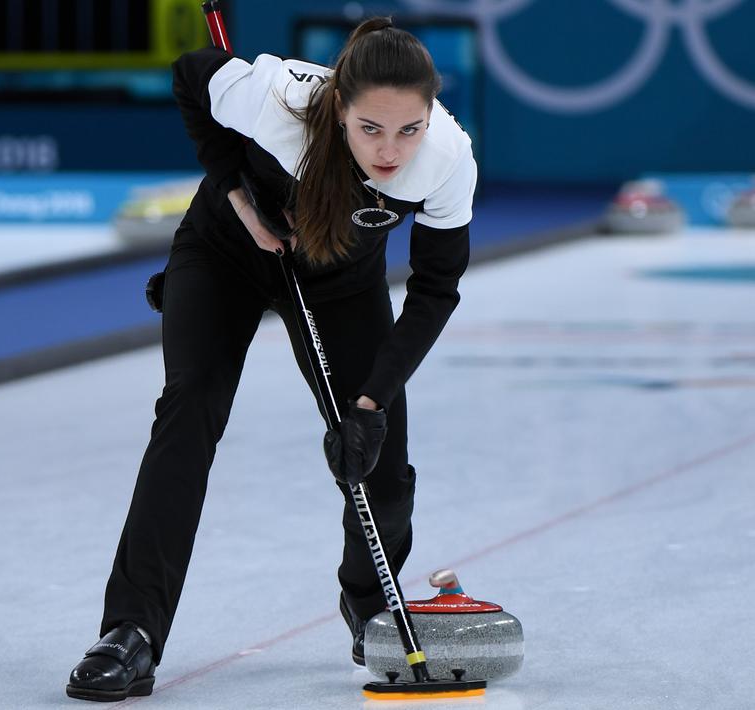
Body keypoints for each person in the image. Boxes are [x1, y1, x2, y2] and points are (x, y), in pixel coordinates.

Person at [66, 17, 476, 702]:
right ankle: (130, 631)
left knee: (383, 460)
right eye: (370, 128)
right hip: (226, 252)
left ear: (429, 115)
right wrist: (234, 191)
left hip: (341, 283)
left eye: (408, 129)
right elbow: (191, 73)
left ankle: (368, 603)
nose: (390, 150)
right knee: (188, 409)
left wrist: (369, 403)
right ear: (338, 106)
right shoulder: (277, 99)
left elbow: (434, 290)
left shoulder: (447, 157)